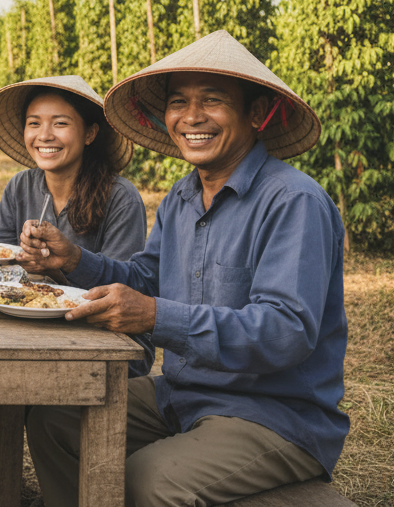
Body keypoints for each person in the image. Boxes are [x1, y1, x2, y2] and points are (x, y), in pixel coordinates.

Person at [21, 31, 347, 507]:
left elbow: (285, 330)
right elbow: (147, 280)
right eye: (178, 102)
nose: (191, 117)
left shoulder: (293, 201)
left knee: (147, 480)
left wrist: (156, 316)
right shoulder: (181, 197)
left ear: (255, 114)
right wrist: (74, 260)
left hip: (274, 414)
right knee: (55, 420)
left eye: (212, 100)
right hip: (184, 394)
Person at [0, 75, 152, 490]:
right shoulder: (21, 186)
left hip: (100, 337)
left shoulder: (120, 197)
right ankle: (6, 454)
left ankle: (74, 474)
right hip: (31, 322)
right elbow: (1, 260)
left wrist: (58, 266)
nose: (44, 135)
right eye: (34, 123)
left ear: (89, 133)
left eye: (60, 123)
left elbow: (125, 291)